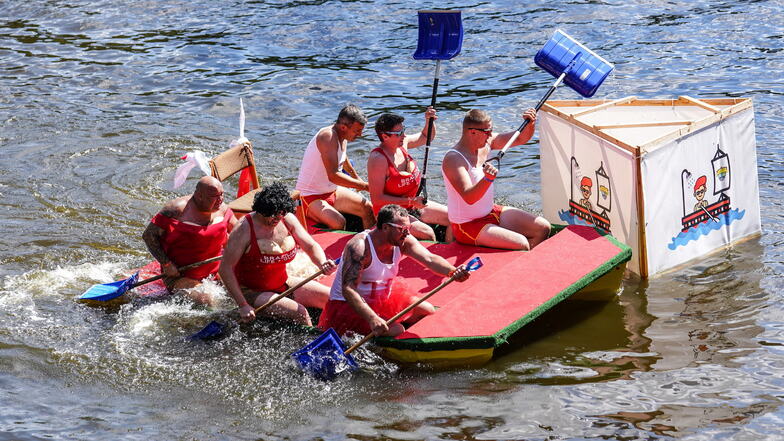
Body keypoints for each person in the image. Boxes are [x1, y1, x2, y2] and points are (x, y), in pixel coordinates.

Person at [318, 204, 470, 337]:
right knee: (397, 329)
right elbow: (348, 289)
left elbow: (429, 259)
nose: (407, 234)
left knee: (427, 310)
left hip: (381, 298)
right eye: (403, 229)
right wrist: (372, 318)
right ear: (385, 227)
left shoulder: (403, 241)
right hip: (349, 305)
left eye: (409, 229)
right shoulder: (359, 247)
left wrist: (452, 271)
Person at [219, 182, 337, 326]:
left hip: (283, 282)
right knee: (301, 313)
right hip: (253, 292)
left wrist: (322, 263)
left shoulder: (286, 218)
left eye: (281, 214)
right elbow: (225, 268)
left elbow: (310, 245)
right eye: (272, 215)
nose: (277, 218)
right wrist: (243, 304)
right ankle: (311, 345)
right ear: (261, 210)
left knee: (333, 298)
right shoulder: (243, 229)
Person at [441, 108, 551, 250]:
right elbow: (469, 197)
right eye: (487, 132)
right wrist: (487, 179)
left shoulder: (486, 144)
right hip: (466, 225)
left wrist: (530, 124)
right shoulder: (454, 159)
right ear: (472, 132)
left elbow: (520, 138)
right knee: (522, 244)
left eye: (491, 130)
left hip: (490, 212)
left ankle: (526, 265)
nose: (491, 135)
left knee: (542, 227)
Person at [142, 176, 237, 305]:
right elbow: (148, 236)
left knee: (244, 288)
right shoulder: (175, 211)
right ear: (199, 196)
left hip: (216, 270)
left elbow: (239, 232)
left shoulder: (223, 209)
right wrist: (167, 264)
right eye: (214, 196)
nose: (220, 200)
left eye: (222, 195)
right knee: (206, 300)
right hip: (181, 275)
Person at [367, 108, 451, 241]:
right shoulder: (378, 159)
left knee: (454, 218)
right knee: (427, 233)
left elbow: (426, 136)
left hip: (412, 205)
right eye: (399, 133)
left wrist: (429, 121)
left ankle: (448, 255)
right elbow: (377, 199)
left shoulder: (403, 144)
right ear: (385, 136)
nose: (404, 136)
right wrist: (411, 201)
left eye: (403, 130)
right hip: (390, 212)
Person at [295, 104, 375, 231]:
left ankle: (370, 243)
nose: (360, 135)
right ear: (343, 127)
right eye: (357, 131)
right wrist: (364, 186)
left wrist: (356, 177)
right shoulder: (327, 137)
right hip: (309, 196)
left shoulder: (343, 135)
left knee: (368, 208)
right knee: (338, 222)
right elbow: (333, 176)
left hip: (332, 191)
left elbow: (343, 157)